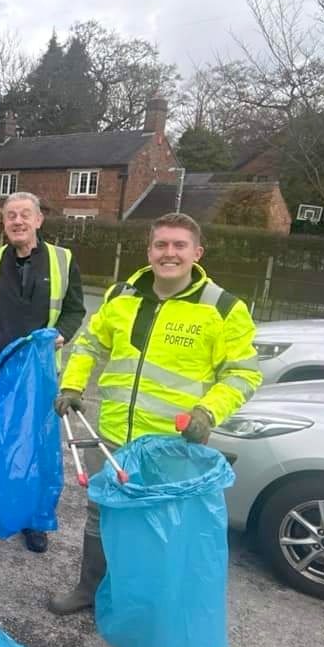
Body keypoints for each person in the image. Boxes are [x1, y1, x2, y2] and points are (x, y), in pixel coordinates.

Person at [49, 211, 263, 615]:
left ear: (196, 252)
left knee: (158, 527)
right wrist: (72, 385)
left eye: (179, 245)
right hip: (111, 434)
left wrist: (207, 412)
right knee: (101, 516)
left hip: (170, 444)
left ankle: (143, 606)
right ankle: (89, 589)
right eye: (161, 245)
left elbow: (242, 374)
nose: (169, 253)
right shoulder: (121, 296)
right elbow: (90, 345)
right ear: (149, 251)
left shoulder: (223, 308)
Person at [0, 191, 86, 553]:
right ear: (4, 223)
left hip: (39, 376)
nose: (18, 221)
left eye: (25, 215)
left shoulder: (63, 260)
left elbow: (74, 310)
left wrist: (62, 334)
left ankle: (32, 520)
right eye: (11, 216)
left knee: (35, 446)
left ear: (39, 220)